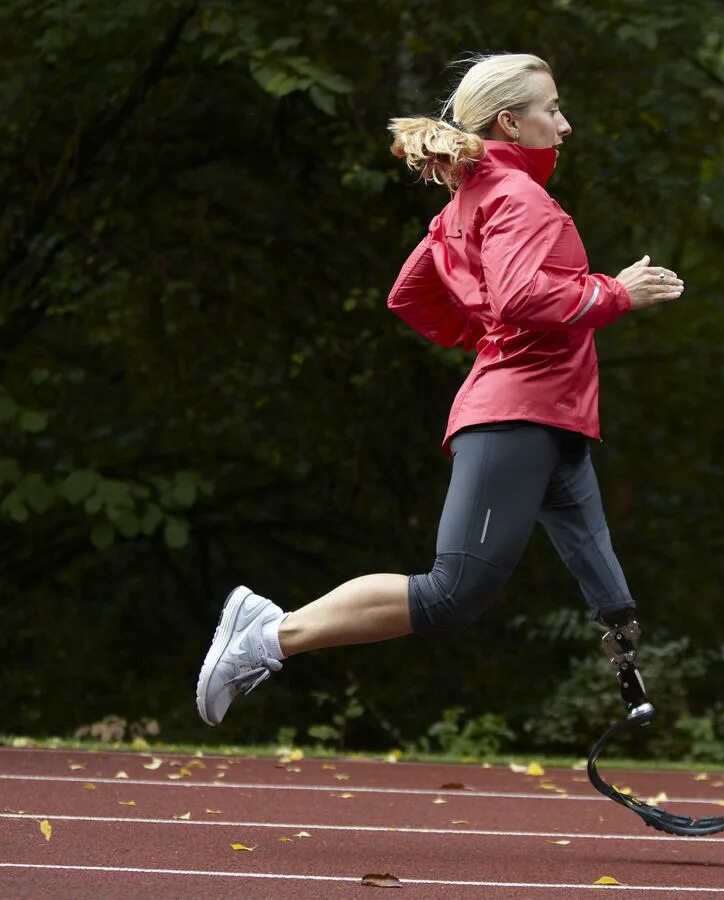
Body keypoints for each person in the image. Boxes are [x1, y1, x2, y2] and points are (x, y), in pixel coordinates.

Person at [196, 52, 684, 728]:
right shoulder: (518, 197)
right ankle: (267, 637)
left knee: (592, 560)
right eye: (552, 110)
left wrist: (494, 338)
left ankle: (625, 648)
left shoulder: (470, 198)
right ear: (512, 121)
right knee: (450, 593)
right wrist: (613, 293)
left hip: (548, 417)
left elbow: (411, 296)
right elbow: (517, 297)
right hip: (518, 416)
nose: (565, 125)